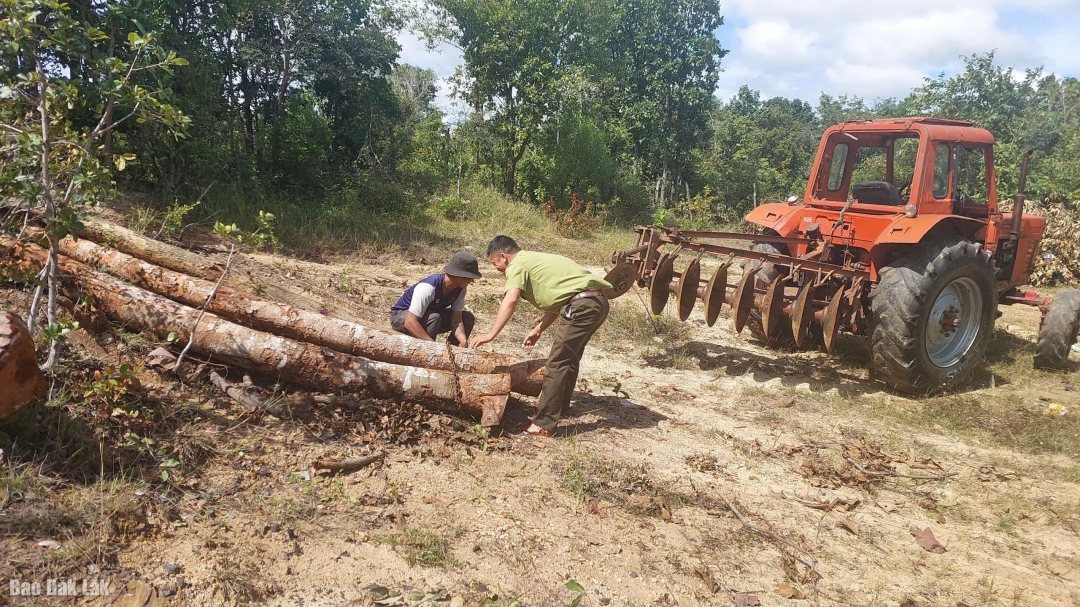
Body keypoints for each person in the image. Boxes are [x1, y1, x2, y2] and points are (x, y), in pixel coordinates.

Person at [470, 236, 611, 437]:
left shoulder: (516, 265)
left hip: (582, 305)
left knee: (556, 363)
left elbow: (511, 299)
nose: (498, 270)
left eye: (496, 265)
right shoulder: (534, 259)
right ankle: (558, 408)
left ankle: (544, 423)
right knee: (569, 359)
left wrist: (491, 333)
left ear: (504, 256)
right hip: (596, 303)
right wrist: (538, 329)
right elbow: (559, 299)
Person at [391, 251, 481, 345]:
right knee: (434, 317)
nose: (472, 281)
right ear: (460, 276)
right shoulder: (428, 287)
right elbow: (410, 322)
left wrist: (463, 340)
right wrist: (434, 346)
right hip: (402, 317)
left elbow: (457, 320)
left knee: (467, 317)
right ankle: (427, 352)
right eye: (470, 277)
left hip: (429, 318)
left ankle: (452, 352)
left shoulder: (460, 289)